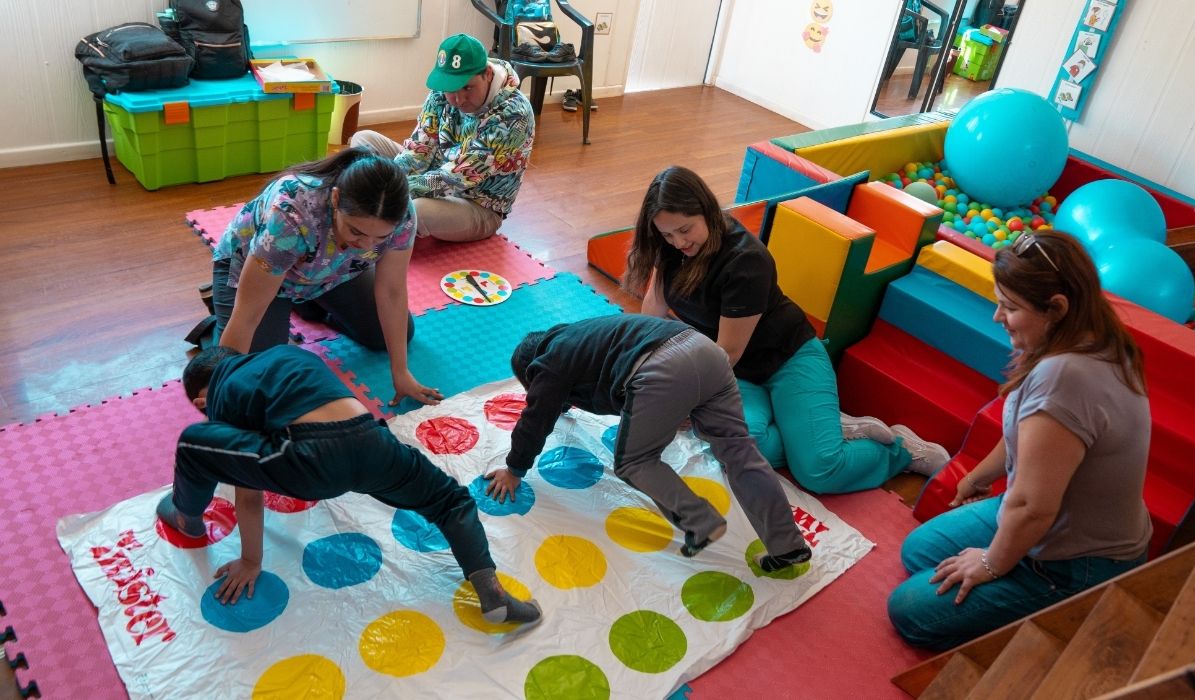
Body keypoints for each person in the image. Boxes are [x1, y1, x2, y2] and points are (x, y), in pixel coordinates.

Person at [887, 231, 1151, 650]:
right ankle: (1009, 571)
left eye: (1009, 307)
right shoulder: (1082, 335)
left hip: (1077, 560)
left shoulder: (1065, 376)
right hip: (1047, 511)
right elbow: (1025, 435)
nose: (997, 317)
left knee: (909, 611)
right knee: (919, 552)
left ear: (1057, 308)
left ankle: (1049, 609)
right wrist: (981, 474)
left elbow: (1033, 507)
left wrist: (992, 564)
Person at [155, 344, 542, 625]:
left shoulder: (222, 393)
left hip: (311, 460)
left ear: (203, 398)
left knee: (193, 444)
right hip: (373, 443)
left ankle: (185, 515)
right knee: (450, 501)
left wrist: (252, 560)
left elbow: (249, 492)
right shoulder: (287, 356)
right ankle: (490, 588)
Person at [623, 165, 950, 495]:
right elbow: (654, 309)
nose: (677, 242)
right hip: (742, 373)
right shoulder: (670, 247)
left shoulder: (744, 261)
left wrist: (683, 395)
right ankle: (817, 429)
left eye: (684, 230)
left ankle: (900, 450)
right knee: (735, 443)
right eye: (667, 234)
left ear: (706, 210)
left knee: (820, 471)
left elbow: (727, 353)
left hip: (788, 359)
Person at [483, 314, 813, 572]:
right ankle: (788, 545)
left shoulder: (549, 361)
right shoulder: (581, 337)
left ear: (531, 373)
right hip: (706, 352)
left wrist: (514, 469)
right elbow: (579, 391)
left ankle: (701, 521)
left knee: (633, 462)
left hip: (664, 366)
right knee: (740, 452)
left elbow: (536, 416)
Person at [212, 147, 441, 408]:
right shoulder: (291, 215)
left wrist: (401, 373)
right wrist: (221, 393)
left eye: (380, 238)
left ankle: (305, 304)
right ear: (335, 199)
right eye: (356, 231)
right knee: (261, 372)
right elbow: (248, 314)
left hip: (331, 272)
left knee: (387, 335)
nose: (366, 245)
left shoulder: (401, 214)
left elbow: (391, 291)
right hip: (250, 270)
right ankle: (220, 314)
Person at [350, 33, 534, 243]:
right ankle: (381, 212)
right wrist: (392, 182)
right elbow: (419, 148)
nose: (458, 99)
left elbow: (458, 177)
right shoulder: (439, 94)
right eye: (450, 89)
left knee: (416, 210)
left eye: (468, 87)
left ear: (488, 74)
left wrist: (390, 192)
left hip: (477, 204)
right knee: (363, 141)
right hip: (431, 177)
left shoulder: (514, 114)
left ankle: (377, 222)